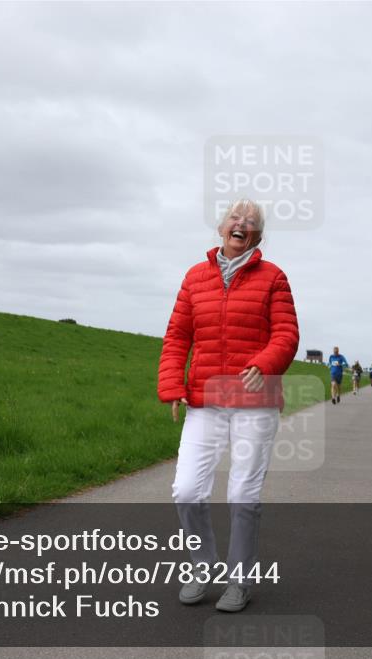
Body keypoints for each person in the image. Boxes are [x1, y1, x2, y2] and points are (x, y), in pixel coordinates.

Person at [158, 198, 299, 613]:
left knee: (243, 493)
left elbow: (287, 335)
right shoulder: (195, 277)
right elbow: (177, 336)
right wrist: (172, 385)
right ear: (222, 227)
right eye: (236, 218)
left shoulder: (273, 277)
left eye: (252, 222)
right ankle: (203, 568)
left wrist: (264, 363)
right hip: (205, 400)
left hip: (255, 403)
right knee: (186, 490)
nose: (243, 224)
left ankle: (240, 581)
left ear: (257, 235)